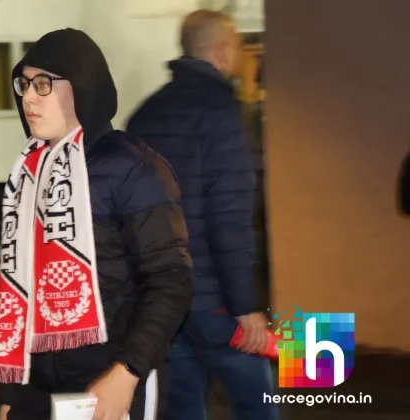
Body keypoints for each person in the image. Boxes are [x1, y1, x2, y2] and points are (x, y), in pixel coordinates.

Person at [0, 28, 193, 420]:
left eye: (43, 84)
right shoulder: (29, 175)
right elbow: (21, 288)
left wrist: (127, 372)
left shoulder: (132, 167)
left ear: (82, 88)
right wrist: (12, 392)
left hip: (111, 383)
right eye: (24, 84)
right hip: (38, 387)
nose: (28, 97)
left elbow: (170, 279)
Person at [126, 10, 278, 420]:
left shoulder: (144, 116)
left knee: (182, 405)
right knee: (259, 400)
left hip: (161, 300)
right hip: (214, 303)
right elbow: (229, 218)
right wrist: (245, 308)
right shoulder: (221, 114)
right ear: (222, 51)